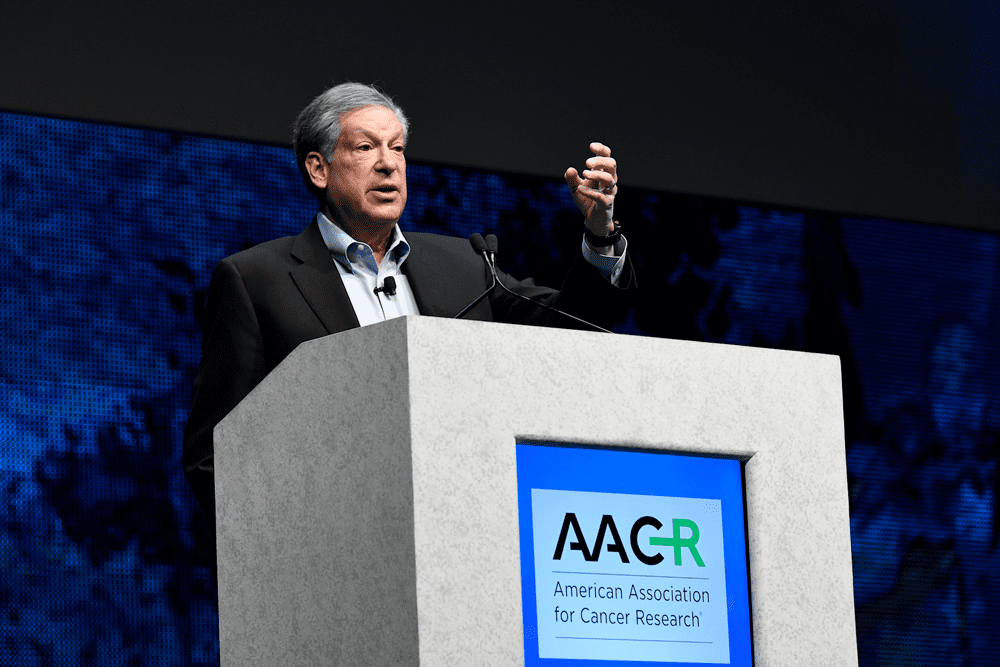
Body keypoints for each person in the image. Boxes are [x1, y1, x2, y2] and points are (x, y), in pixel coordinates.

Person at [182, 82, 635, 523]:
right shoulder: (258, 281)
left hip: (460, 532)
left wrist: (600, 233)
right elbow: (215, 453)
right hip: (328, 549)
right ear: (318, 169)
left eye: (397, 149)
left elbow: (575, 326)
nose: (388, 165)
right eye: (365, 148)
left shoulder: (464, 264)